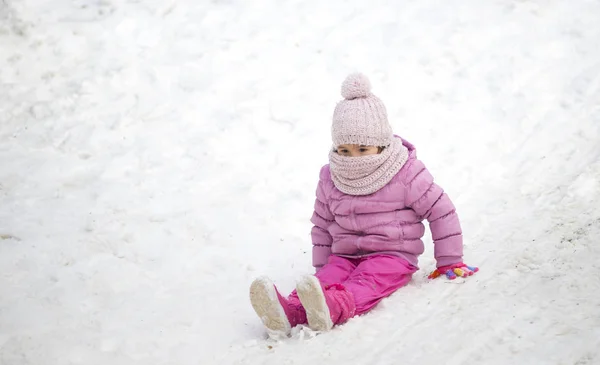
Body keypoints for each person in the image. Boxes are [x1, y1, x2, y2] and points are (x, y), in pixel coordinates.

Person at [249, 73, 478, 335]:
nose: (353, 158)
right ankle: (290, 310)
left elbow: (441, 210)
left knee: (367, 281)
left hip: (392, 256)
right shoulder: (330, 176)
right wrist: (324, 270)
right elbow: (322, 225)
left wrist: (449, 260)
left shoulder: (405, 172)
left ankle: (335, 306)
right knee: (325, 279)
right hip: (344, 254)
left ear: (380, 145)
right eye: (344, 151)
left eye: (362, 149)